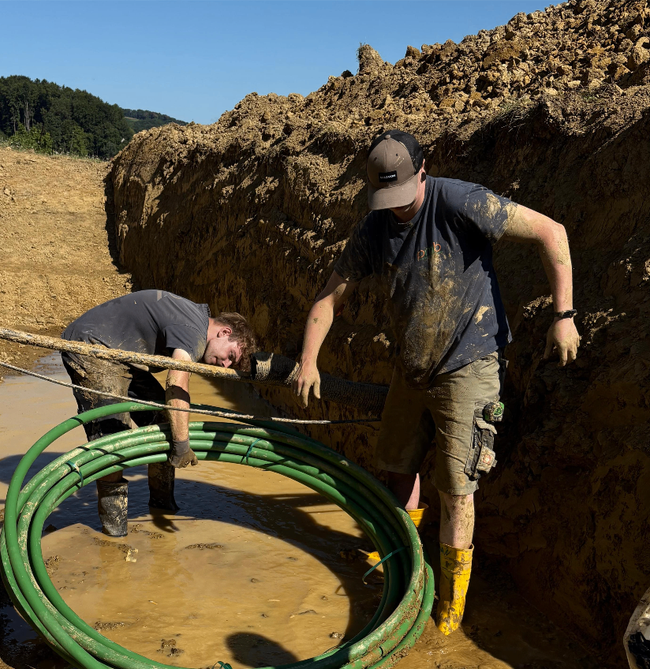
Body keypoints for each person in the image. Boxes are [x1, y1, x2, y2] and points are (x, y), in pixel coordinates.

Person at [294, 129, 580, 636]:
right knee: (396, 469)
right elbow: (329, 295)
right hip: (413, 367)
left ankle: (450, 604)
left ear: (422, 173)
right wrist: (309, 359)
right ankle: (401, 561)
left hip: (469, 363)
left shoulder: (458, 201)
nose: (397, 208)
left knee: (457, 489)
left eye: (402, 196)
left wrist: (564, 315)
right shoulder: (376, 226)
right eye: (387, 199)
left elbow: (551, 232)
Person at [61, 290, 257, 537]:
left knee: (164, 422)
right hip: (91, 346)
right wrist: (182, 445)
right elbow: (176, 384)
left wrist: (177, 437)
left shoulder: (194, 319)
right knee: (112, 440)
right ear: (225, 332)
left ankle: (163, 508)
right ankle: (114, 533)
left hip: (122, 358)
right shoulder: (194, 332)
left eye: (231, 363)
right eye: (230, 356)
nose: (225, 365)